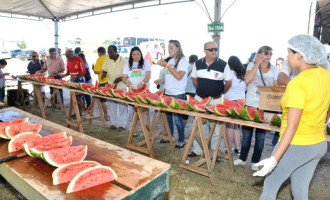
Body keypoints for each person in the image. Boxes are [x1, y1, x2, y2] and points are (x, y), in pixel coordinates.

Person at [254, 34, 330, 200]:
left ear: (300, 55)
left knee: (269, 189)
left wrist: (274, 159)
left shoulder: (298, 83)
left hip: (297, 145)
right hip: (318, 144)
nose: (287, 57)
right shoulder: (326, 76)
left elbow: (292, 126)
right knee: (300, 191)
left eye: (289, 52)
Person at [234, 46, 279, 170]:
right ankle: (242, 159)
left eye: (270, 53)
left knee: (260, 137)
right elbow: (247, 80)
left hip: (265, 106)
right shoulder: (250, 66)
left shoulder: (274, 69)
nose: (268, 55)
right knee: (247, 135)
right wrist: (257, 63)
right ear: (259, 54)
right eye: (266, 53)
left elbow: (275, 89)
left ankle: (255, 161)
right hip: (251, 104)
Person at [188, 41, 232, 157]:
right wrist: (202, 89)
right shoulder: (197, 63)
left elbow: (228, 82)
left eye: (215, 49)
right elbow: (194, 78)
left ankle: (213, 153)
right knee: (197, 126)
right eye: (211, 49)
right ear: (204, 51)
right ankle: (197, 150)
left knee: (216, 129)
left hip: (216, 101)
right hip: (199, 99)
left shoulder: (223, 64)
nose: (214, 51)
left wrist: (221, 92)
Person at [158, 40, 188, 148]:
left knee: (177, 118)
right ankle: (169, 137)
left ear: (178, 48)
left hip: (178, 93)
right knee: (168, 117)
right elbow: (169, 77)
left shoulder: (183, 61)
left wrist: (167, 66)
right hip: (168, 92)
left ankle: (181, 140)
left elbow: (179, 77)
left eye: (171, 47)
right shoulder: (170, 60)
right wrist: (161, 81)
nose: (169, 49)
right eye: (168, 47)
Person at [122, 46, 151, 136]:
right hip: (133, 91)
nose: (136, 56)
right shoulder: (128, 64)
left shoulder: (145, 62)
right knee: (135, 110)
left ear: (141, 54)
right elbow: (124, 78)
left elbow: (148, 75)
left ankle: (147, 131)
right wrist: (128, 84)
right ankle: (136, 130)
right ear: (131, 55)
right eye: (134, 54)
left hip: (144, 90)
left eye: (138, 54)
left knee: (145, 110)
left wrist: (142, 83)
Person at [224, 56, 246, 155]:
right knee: (236, 126)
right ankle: (238, 148)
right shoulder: (242, 74)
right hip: (241, 101)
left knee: (229, 126)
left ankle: (228, 148)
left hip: (229, 101)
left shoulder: (228, 74)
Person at [101, 45, 127, 131]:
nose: (109, 54)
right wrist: (103, 74)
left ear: (116, 51)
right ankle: (114, 124)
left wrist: (119, 79)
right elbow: (104, 69)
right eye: (108, 52)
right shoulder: (108, 59)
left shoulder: (123, 61)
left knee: (122, 106)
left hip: (121, 86)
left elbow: (127, 75)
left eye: (111, 52)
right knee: (112, 106)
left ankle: (123, 125)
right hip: (111, 87)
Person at [62, 49, 86, 117]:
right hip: (73, 81)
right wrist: (64, 75)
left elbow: (83, 72)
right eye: (66, 56)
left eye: (68, 56)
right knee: (74, 97)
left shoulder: (78, 59)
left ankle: (80, 113)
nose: (67, 58)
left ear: (72, 55)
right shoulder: (68, 61)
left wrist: (76, 77)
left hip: (79, 80)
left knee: (78, 97)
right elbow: (69, 71)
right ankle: (77, 112)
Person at [93, 46, 109, 121]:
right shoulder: (109, 57)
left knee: (103, 100)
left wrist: (93, 68)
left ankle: (106, 115)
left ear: (99, 53)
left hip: (103, 82)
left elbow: (96, 72)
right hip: (111, 81)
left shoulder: (99, 59)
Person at [182, 54, 198, 127]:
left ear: (189, 61)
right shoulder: (197, 70)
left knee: (185, 114)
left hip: (186, 92)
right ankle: (195, 131)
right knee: (196, 114)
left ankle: (182, 129)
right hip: (194, 93)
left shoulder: (186, 69)